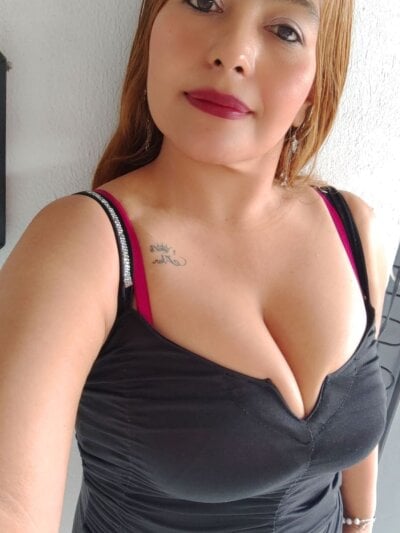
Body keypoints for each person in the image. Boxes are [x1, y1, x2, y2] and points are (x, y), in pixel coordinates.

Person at [0, 0, 392, 531]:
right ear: (151, 31)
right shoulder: (85, 244)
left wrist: (361, 521)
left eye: (284, 30)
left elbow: (355, 430)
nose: (234, 53)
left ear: (313, 92)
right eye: (204, 2)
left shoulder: (353, 228)